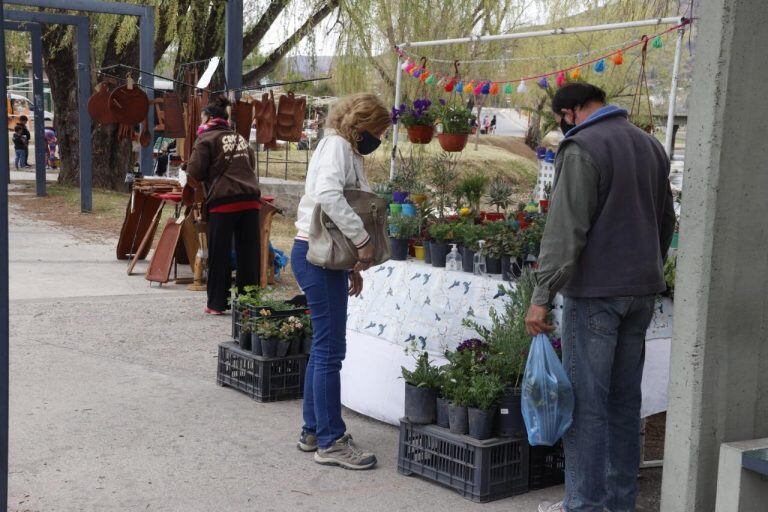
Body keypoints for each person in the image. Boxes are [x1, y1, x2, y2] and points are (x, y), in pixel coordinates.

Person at [527, 83, 675, 512]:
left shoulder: (582, 147)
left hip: (595, 295)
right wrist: (647, 269)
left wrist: (541, 295)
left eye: (562, 119)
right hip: (640, 291)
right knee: (625, 405)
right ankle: (618, 504)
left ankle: (583, 505)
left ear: (571, 112)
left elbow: (565, 229)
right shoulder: (651, 146)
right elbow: (665, 220)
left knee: (588, 407)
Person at [291, 93, 390, 470]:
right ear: (362, 124)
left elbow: (342, 205)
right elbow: (329, 196)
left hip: (322, 256)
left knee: (324, 348)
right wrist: (363, 242)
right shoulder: (336, 147)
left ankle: (313, 430)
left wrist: (350, 262)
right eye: (377, 130)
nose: (378, 138)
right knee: (331, 351)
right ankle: (330, 440)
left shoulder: (342, 148)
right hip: (316, 257)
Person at [186, 96, 261, 315]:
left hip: (224, 202)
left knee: (219, 253)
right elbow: (251, 165)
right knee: (249, 254)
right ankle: (249, 304)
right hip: (250, 199)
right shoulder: (240, 138)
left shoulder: (206, 139)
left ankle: (217, 304)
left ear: (208, 117)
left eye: (202, 116)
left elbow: (195, 172)